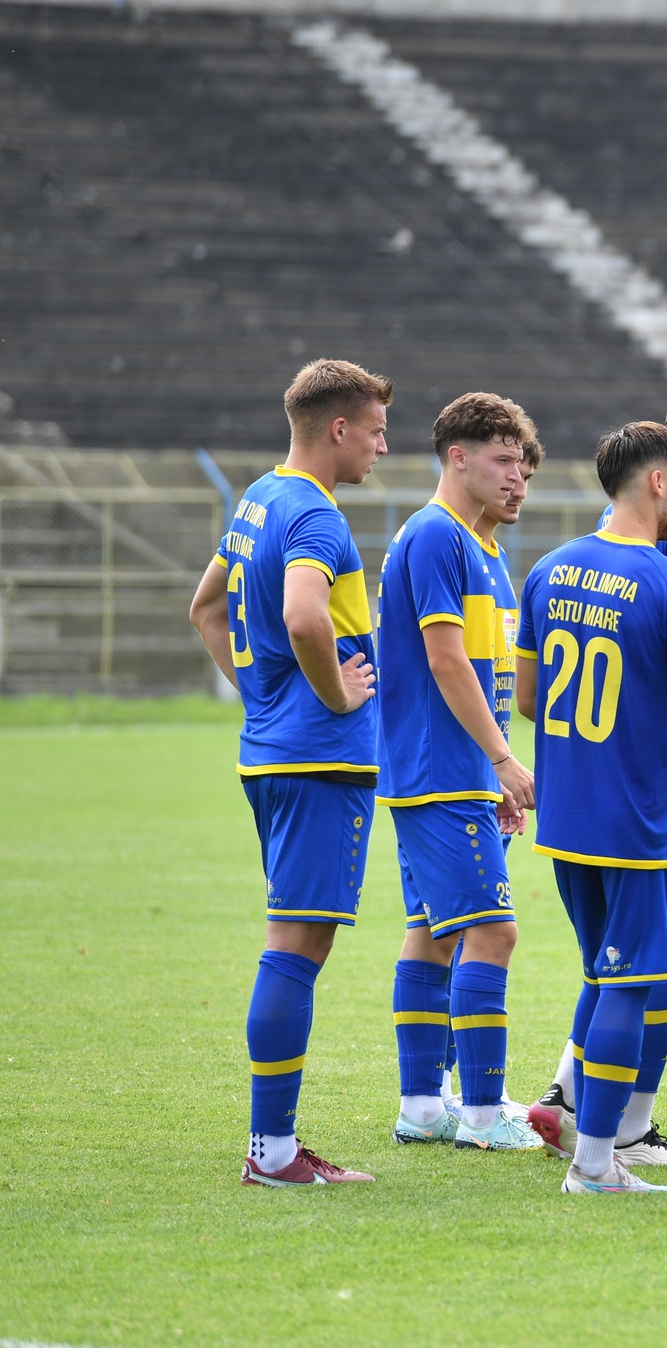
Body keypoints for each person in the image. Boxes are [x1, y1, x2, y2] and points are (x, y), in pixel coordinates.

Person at [527, 386, 667, 1169]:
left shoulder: (548, 571)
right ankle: (605, 1151)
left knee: (605, 967)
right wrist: (650, 750)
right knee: (639, 975)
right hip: (643, 813)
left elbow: (528, 697)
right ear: (659, 480)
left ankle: (577, 1112)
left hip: (566, 814)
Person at [187, 359, 389, 1186]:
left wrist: (262, 696)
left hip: (276, 750)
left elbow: (205, 606)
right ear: (337, 428)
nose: (381, 446)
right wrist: (336, 691)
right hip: (319, 762)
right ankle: (271, 1149)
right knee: (295, 950)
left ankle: (273, 1144)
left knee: (294, 944)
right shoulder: (315, 515)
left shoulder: (257, 499)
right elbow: (305, 613)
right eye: (375, 430)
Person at [376, 394, 542, 1152]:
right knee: (493, 933)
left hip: (459, 772)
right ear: (458, 457)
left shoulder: (484, 550)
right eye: (506, 461)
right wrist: (502, 760)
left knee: (432, 933)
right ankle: (480, 1112)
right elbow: (445, 660)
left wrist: (495, 763)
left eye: (526, 466)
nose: (519, 479)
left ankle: (423, 1104)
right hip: (441, 771)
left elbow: (487, 673)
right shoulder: (437, 538)